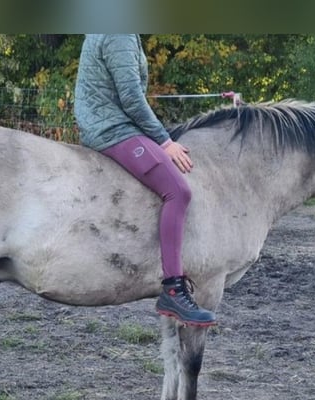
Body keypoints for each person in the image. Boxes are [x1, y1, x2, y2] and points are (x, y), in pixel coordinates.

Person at [74, 34, 216, 327]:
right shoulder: (119, 34)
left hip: (109, 122)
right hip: (112, 128)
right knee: (178, 190)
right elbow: (131, 98)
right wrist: (165, 141)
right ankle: (173, 289)